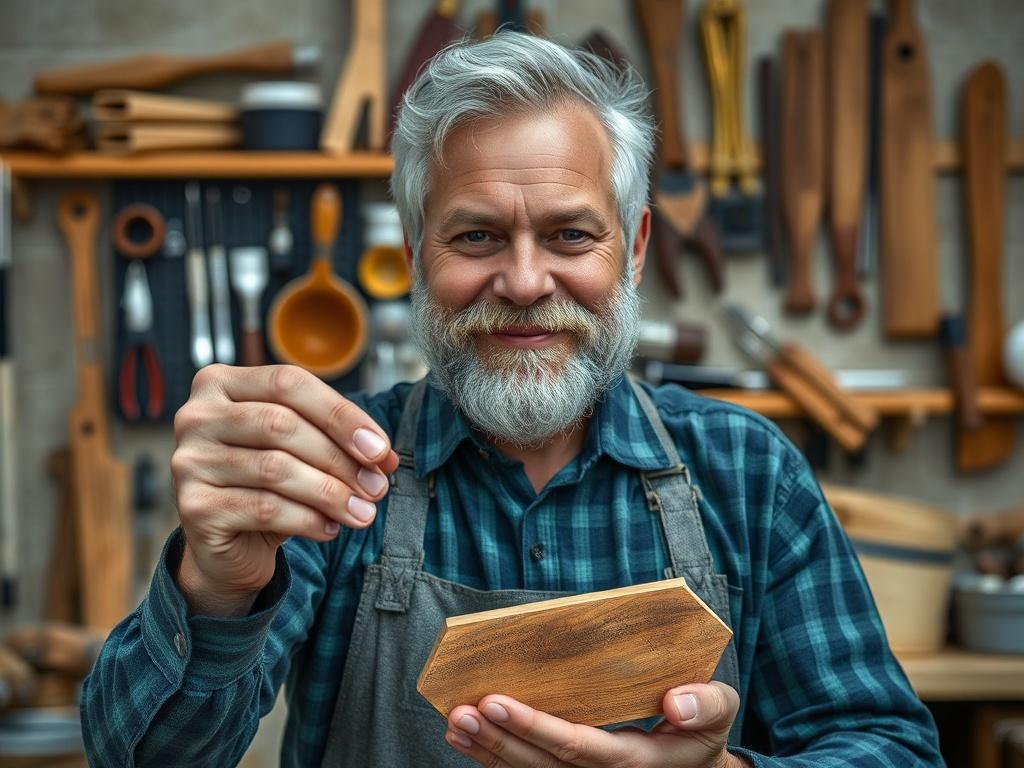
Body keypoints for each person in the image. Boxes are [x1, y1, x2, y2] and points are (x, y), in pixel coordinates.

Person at [82, 31, 943, 767]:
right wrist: (217, 584)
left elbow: (888, 744)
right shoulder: (333, 472)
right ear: (417, 254)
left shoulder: (748, 472)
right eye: (477, 235)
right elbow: (139, 755)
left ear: (634, 246)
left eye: (570, 234)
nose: (526, 282)